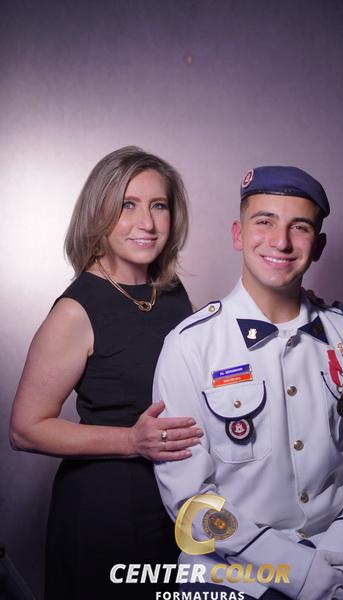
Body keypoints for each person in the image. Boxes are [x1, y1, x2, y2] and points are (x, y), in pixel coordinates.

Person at [153, 166, 343, 600]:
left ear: (318, 246)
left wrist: (342, 556)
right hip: (234, 569)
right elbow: (191, 499)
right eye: (264, 221)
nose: (281, 242)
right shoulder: (189, 347)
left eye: (299, 227)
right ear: (238, 234)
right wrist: (297, 571)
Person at [9, 146, 203, 600]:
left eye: (158, 205)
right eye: (127, 205)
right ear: (98, 213)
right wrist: (131, 441)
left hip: (174, 504)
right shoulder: (76, 309)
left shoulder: (172, 293)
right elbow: (24, 429)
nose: (147, 223)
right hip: (105, 513)